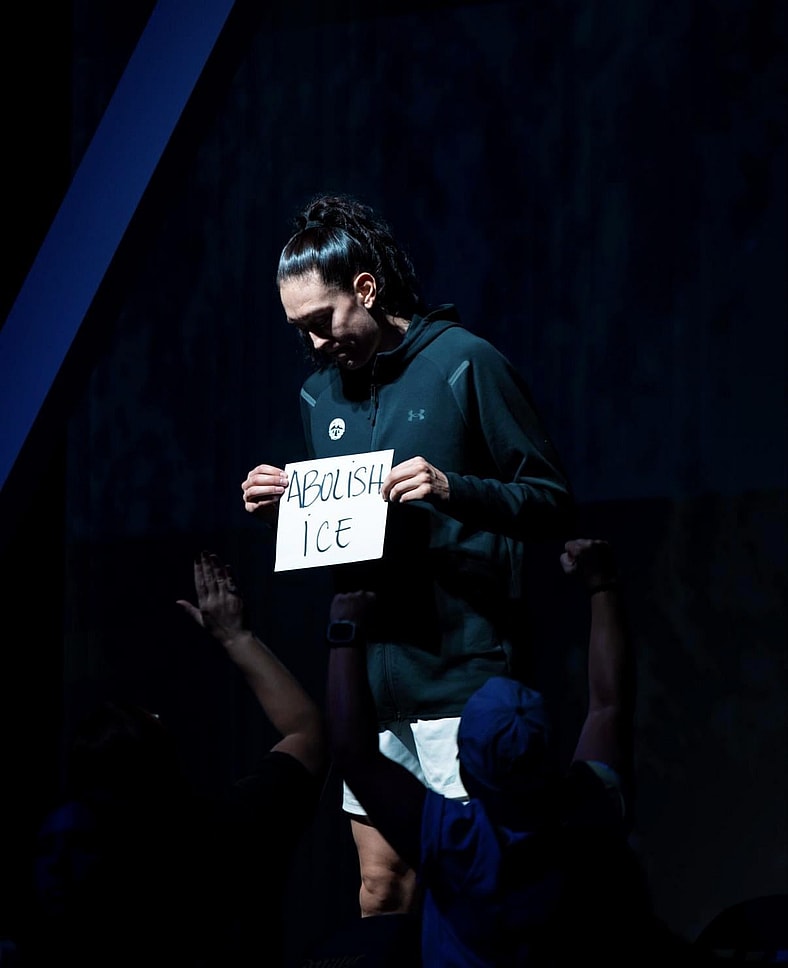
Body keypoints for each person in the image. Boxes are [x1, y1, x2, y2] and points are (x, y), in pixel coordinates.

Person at [241, 193, 574, 917]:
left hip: (462, 677)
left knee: (474, 887)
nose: (318, 344)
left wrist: (455, 488)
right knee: (381, 888)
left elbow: (550, 498)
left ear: (365, 288)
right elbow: (356, 530)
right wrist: (289, 500)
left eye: (323, 323)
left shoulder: (464, 362)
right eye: (300, 332)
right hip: (376, 689)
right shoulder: (318, 395)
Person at [323, 539, 690, 966]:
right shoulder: (593, 811)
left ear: (465, 770)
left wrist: (344, 630)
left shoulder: (457, 843)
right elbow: (610, 704)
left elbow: (353, 751)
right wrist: (602, 585)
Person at [25, 551, 327, 968]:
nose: (58, 863)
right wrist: (236, 638)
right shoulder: (226, 832)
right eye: (53, 849)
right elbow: (307, 733)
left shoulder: (68, 906)